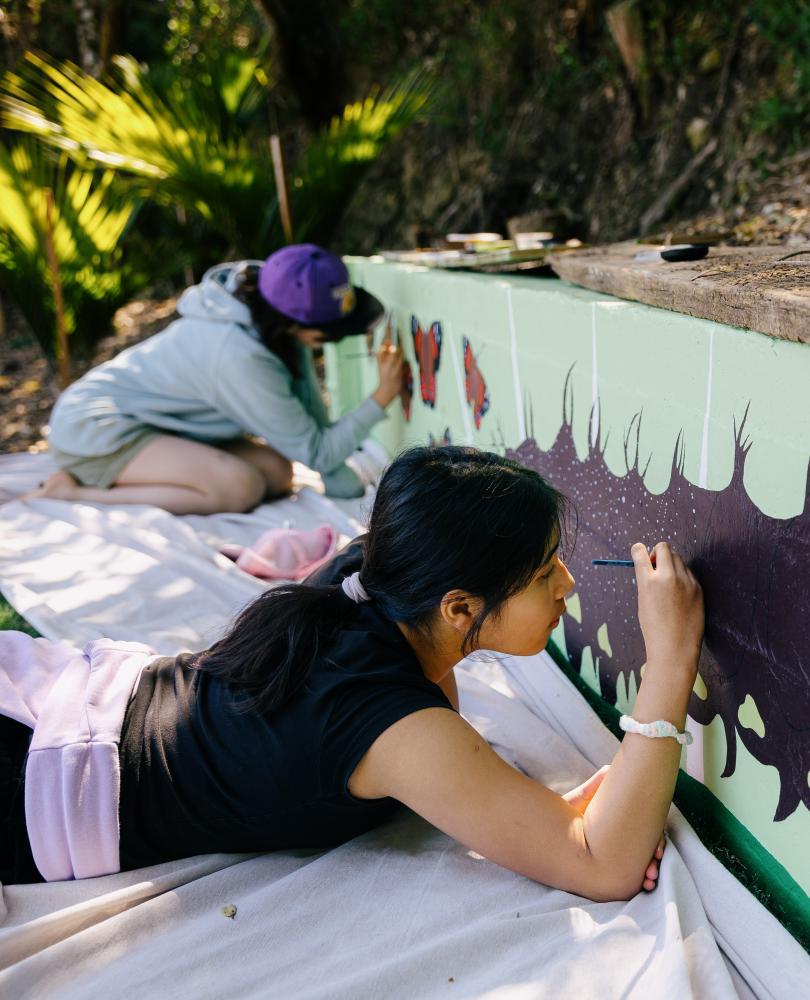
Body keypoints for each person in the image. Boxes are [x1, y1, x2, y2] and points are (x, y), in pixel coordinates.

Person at [1, 446, 704, 898]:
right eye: (544, 571)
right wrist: (671, 658)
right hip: (37, 773)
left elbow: (483, 781)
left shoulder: (365, 578)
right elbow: (604, 867)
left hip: (64, 692)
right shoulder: (392, 722)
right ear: (458, 607)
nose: (568, 585)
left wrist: (560, 819)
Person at [30, 244, 404, 511]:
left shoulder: (274, 315)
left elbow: (311, 429)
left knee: (276, 473)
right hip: (96, 428)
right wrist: (382, 397)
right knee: (240, 488)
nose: (332, 341)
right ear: (295, 323)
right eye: (331, 333)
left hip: (163, 423)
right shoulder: (240, 356)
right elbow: (318, 451)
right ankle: (73, 493)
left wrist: (343, 484)